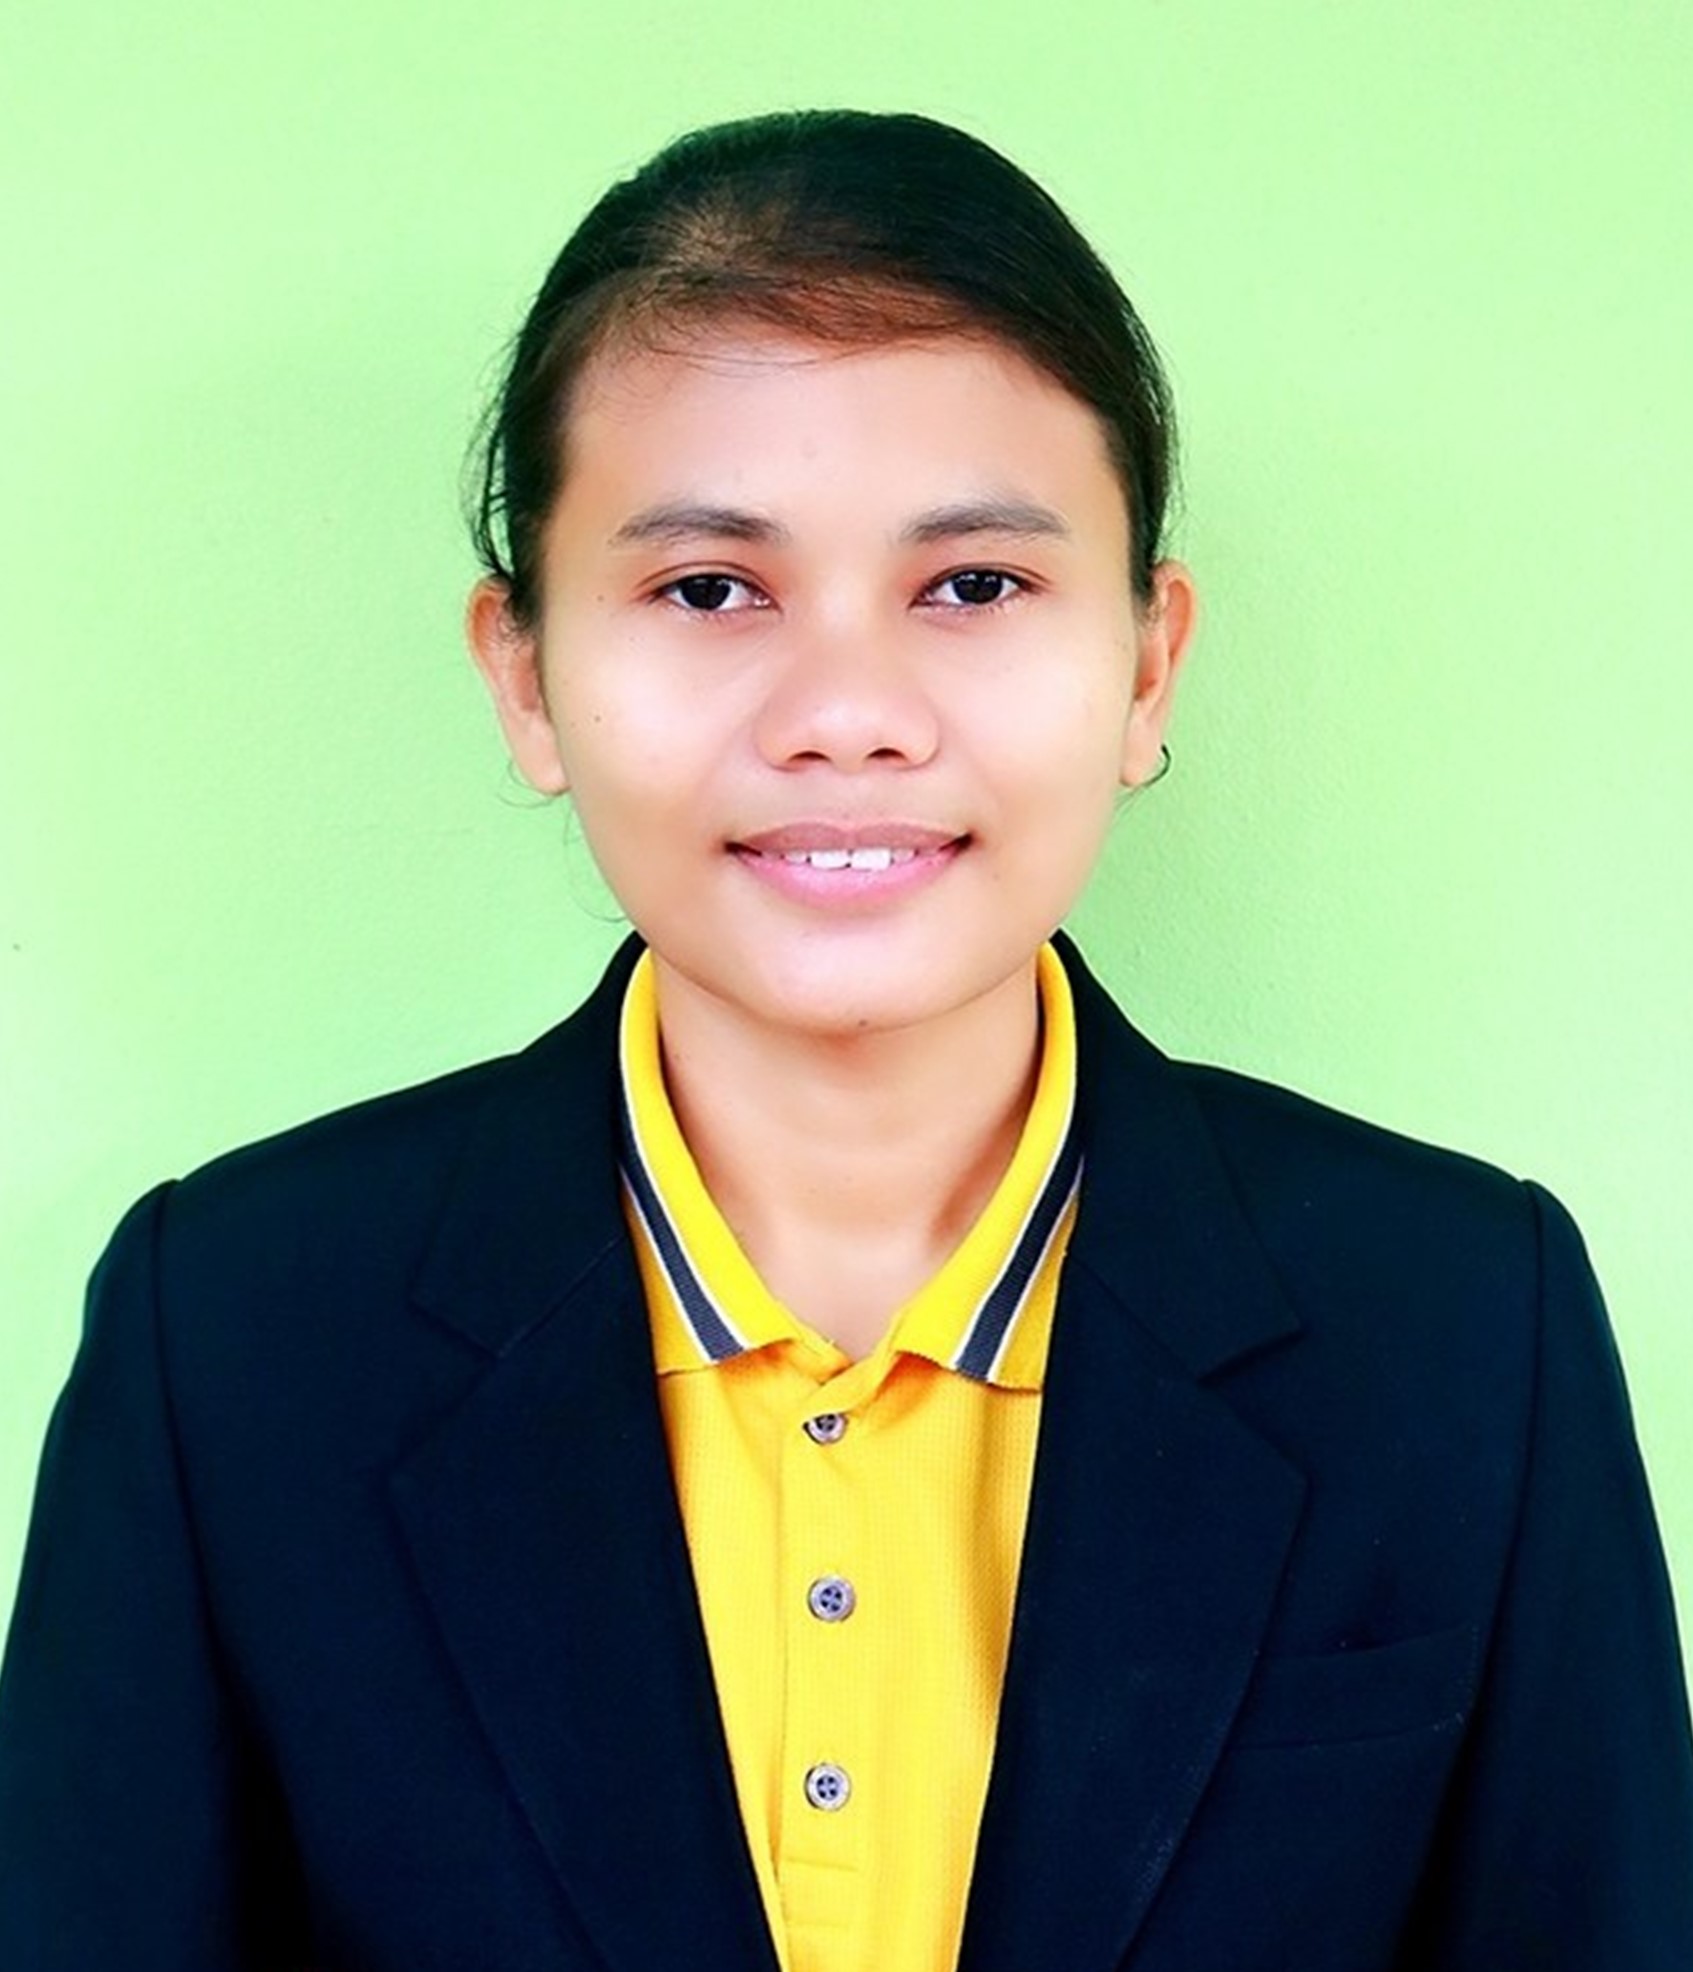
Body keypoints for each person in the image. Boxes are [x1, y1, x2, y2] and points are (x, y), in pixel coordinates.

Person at [0, 106, 1689, 1972]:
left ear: (1145, 663)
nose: (847, 713)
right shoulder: (229, 1336)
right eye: (708, 589)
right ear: (524, 673)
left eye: (972, 585)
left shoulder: (1462, 1324)